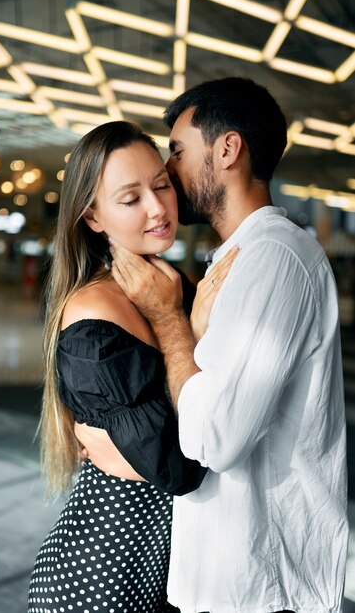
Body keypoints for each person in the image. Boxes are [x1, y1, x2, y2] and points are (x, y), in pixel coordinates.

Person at [109, 78, 349, 613]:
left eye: (176, 151)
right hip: (229, 577)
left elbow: (216, 439)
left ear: (227, 149)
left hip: (264, 586)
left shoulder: (274, 260)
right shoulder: (238, 259)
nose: (166, 172)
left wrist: (170, 321)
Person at [27, 120, 237, 613]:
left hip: (165, 573)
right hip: (99, 580)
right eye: (130, 199)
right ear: (93, 219)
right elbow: (182, 466)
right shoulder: (92, 319)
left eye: (161, 185)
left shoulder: (171, 286)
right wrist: (182, 326)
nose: (159, 208)